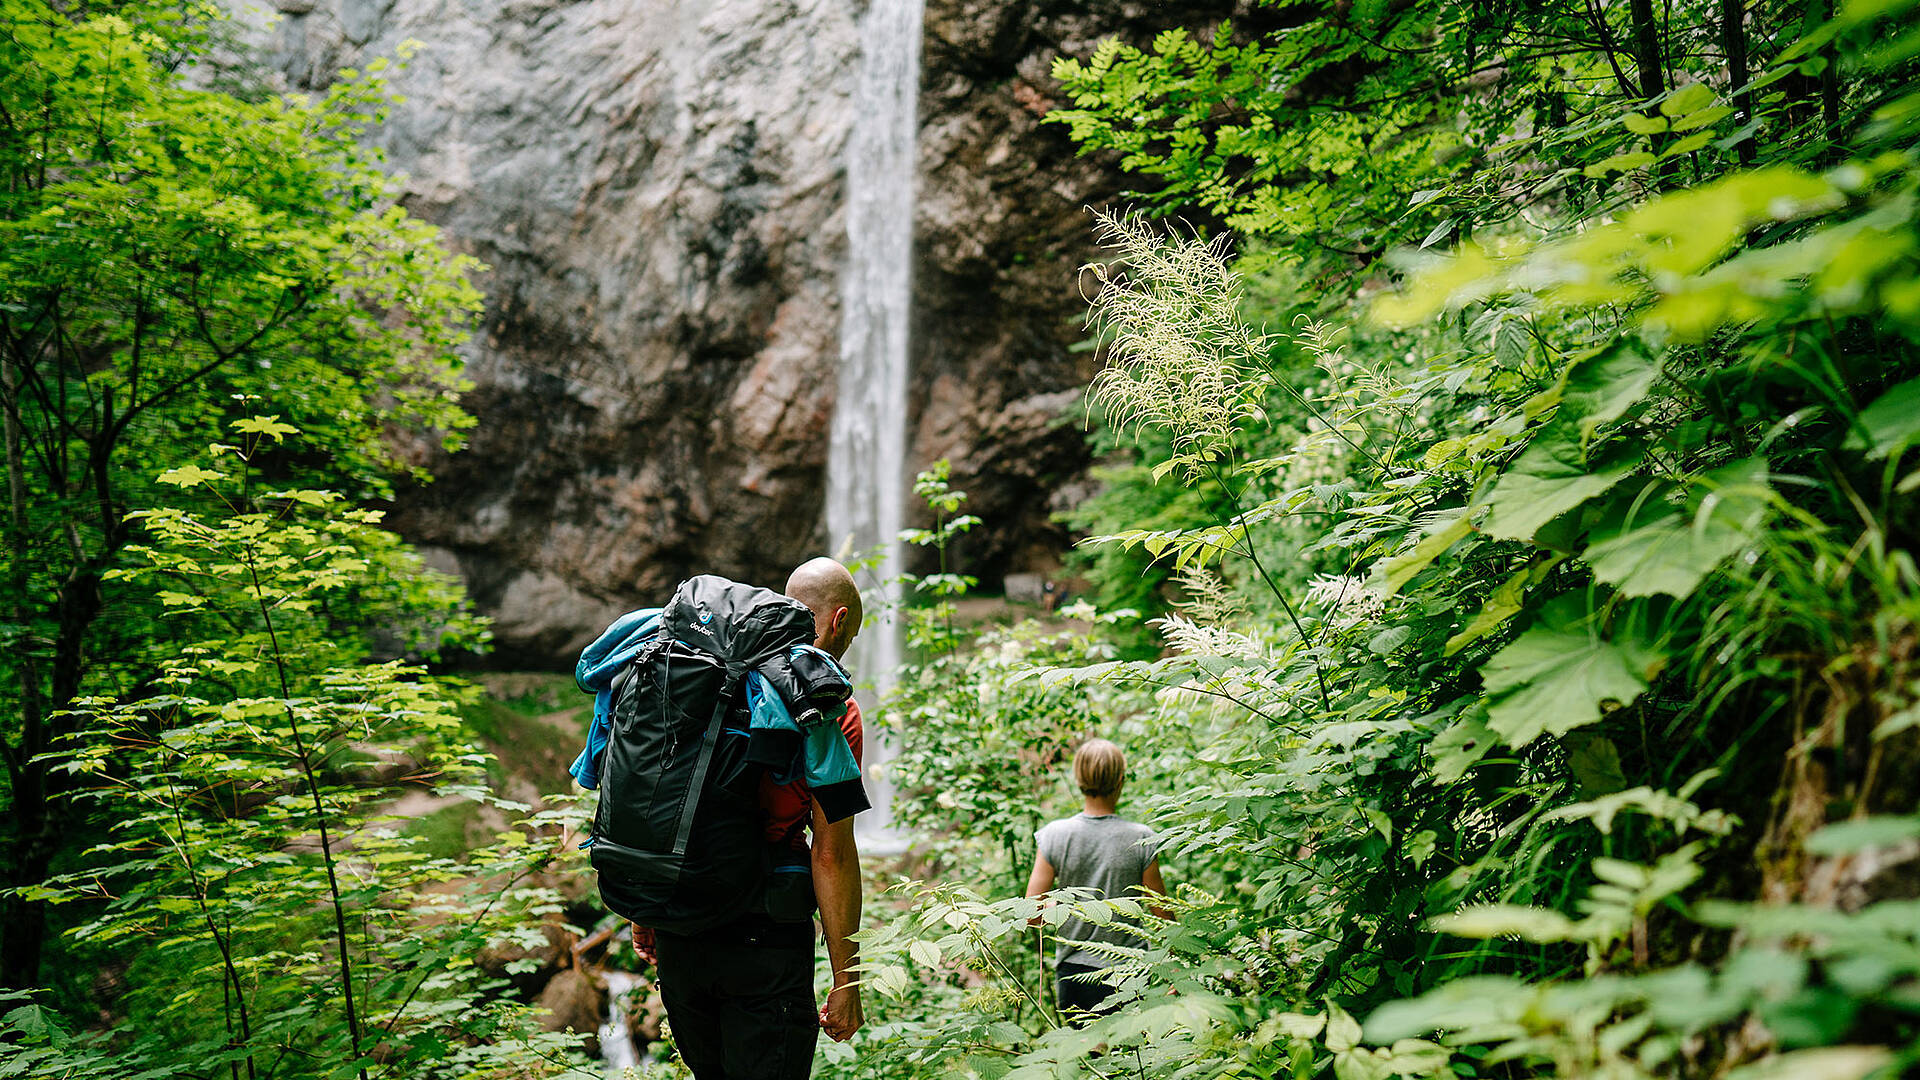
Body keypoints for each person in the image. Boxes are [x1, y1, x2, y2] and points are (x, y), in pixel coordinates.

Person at [644, 557, 868, 1079]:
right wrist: (846, 980)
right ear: (837, 621)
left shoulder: (692, 672)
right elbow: (831, 852)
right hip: (762, 939)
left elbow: (658, 792)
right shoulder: (830, 706)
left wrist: (647, 910)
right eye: (850, 634)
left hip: (679, 924)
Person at [1024, 738, 1165, 1021]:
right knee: (1129, 1060)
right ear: (1121, 780)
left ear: (1078, 780)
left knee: (1089, 1058)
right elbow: (1164, 915)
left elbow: (1031, 914)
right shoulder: (1141, 838)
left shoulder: (1055, 835)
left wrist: (1071, 910)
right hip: (1130, 973)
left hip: (1074, 974)